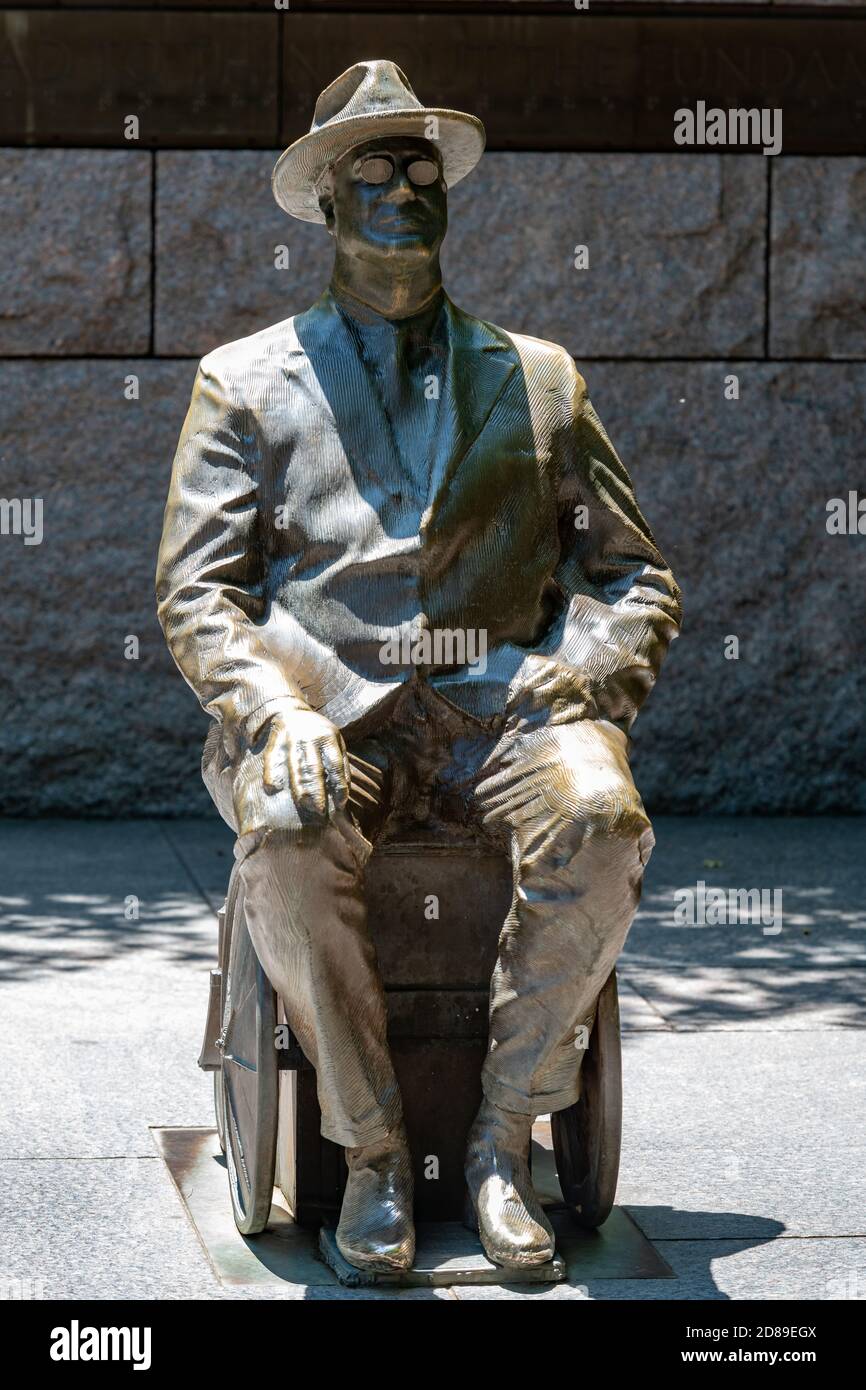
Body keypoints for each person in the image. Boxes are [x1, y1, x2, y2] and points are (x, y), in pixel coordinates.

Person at [156, 59, 682, 1273]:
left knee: (602, 813)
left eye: (420, 169)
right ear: (328, 206)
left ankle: (502, 1138)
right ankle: (375, 1153)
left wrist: (587, 673)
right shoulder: (243, 382)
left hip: (502, 716)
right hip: (328, 718)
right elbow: (196, 592)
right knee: (283, 826)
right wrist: (269, 709)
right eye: (372, 172)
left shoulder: (538, 378)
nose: (402, 189)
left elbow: (633, 576)